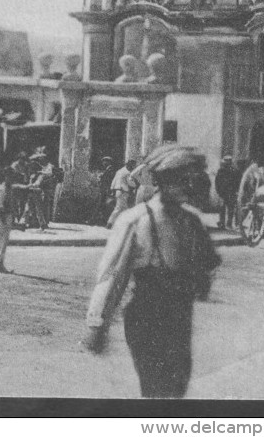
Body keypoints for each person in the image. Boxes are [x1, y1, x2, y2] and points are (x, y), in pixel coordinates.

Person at [83, 146, 220, 399]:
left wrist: (201, 276)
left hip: (179, 315)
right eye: (182, 179)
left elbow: (206, 265)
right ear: (164, 180)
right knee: (156, 387)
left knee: (178, 385)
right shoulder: (136, 220)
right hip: (147, 315)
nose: (189, 186)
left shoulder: (191, 220)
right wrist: (97, 323)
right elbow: (113, 276)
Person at [0, 168, 16, 273]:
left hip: (6, 216)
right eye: (10, 176)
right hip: (2, 216)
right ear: (5, 176)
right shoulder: (2, 189)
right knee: (2, 242)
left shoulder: (8, 188)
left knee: (1, 242)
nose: (11, 178)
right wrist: (4, 220)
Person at [106, 158, 139, 227]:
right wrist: (136, 185)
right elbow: (130, 183)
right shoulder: (127, 173)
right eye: (132, 165)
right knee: (119, 208)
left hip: (117, 190)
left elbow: (114, 180)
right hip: (123, 191)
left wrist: (112, 188)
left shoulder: (119, 171)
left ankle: (124, 223)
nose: (132, 167)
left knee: (123, 207)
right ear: (129, 165)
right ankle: (110, 223)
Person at [213, 156, 242, 230]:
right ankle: (222, 223)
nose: (227, 163)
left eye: (228, 162)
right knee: (223, 208)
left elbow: (238, 182)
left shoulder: (235, 171)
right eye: (226, 162)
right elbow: (217, 182)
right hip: (223, 192)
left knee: (230, 209)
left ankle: (228, 224)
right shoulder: (221, 171)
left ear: (231, 162)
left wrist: (236, 191)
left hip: (230, 192)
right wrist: (218, 191)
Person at [93, 157, 116, 226]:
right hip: (104, 189)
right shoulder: (107, 169)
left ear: (108, 162)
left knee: (103, 204)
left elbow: (109, 180)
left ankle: (100, 220)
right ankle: (100, 220)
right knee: (102, 205)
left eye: (105, 161)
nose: (103, 163)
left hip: (106, 190)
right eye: (103, 161)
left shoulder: (110, 169)